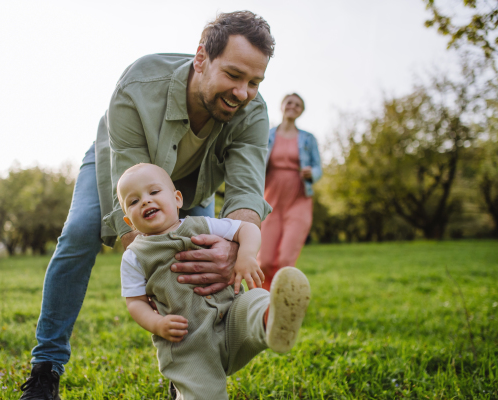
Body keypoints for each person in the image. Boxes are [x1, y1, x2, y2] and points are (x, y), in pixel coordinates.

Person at [20, 11, 276, 400]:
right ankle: (45, 370)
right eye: (234, 75)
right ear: (202, 59)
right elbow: (134, 221)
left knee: (201, 267)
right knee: (78, 234)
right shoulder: (138, 85)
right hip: (123, 169)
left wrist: (235, 247)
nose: (243, 92)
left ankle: (188, 378)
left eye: (254, 82)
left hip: (191, 185)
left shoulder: (252, 113)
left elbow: (244, 193)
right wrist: (153, 277)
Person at [118, 163, 310, 400]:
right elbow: (135, 302)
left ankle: (271, 318)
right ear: (129, 222)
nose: (145, 201)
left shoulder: (201, 224)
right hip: (188, 345)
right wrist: (157, 324)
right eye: (134, 201)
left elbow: (247, 229)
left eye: (154, 192)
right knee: (203, 395)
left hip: (231, 318)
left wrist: (246, 255)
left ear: (177, 199)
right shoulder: (134, 256)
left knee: (254, 299)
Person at [257, 93, 322, 291]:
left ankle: (283, 308)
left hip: (299, 201)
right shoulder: (266, 135)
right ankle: (263, 308)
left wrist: (312, 173)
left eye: (298, 104)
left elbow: (319, 168)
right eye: (290, 102)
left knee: (285, 260)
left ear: (301, 111)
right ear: (282, 105)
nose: (293, 106)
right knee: (265, 262)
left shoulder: (308, 139)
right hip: (271, 201)